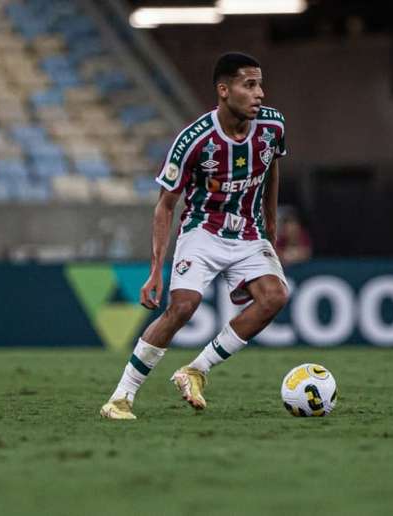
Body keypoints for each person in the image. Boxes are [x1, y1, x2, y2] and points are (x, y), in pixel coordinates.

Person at [101, 52, 290, 420]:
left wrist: (270, 227)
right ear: (224, 90)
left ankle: (195, 371)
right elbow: (164, 206)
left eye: (260, 84)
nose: (260, 94)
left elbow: (271, 172)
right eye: (249, 85)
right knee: (183, 306)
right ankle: (121, 397)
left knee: (275, 297)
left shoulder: (274, 128)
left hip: (249, 233)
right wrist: (156, 269)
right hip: (203, 230)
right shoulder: (194, 140)